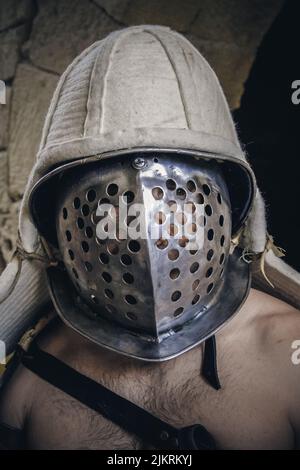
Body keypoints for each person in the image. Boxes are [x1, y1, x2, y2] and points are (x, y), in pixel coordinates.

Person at [0, 25, 299, 450]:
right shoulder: (29, 387)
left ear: (230, 207)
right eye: (107, 205)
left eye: (175, 200)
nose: (146, 237)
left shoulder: (290, 354)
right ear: (55, 225)